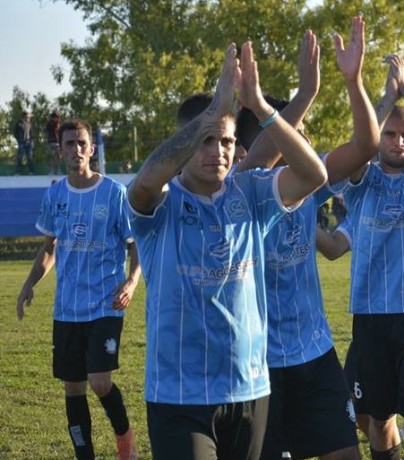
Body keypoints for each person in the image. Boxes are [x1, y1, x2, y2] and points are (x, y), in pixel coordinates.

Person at [126, 42, 327, 459]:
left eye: (227, 142)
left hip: (250, 388)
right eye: (207, 141)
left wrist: (264, 109)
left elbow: (313, 174)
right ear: (184, 144)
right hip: (179, 395)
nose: (218, 151)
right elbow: (144, 184)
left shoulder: (250, 192)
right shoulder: (162, 203)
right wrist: (215, 109)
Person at [234, 19, 378, 460]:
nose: (300, 150)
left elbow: (366, 144)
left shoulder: (310, 182)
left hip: (315, 354)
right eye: (288, 142)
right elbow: (260, 157)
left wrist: (353, 82)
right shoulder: (236, 190)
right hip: (259, 365)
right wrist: (300, 98)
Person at [339, 42, 404, 460]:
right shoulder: (360, 181)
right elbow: (361, 143)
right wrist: (386, 95)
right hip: (369, 312)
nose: (399, 141)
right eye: (390, 134)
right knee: (377, 419)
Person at [16, 118, 141, 460]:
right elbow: (49, 249)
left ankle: (124, 437)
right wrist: (29, 284)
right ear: (61, 150)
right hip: (66, 309)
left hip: (105, 304)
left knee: (100, 382)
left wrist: (131, 282)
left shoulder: (114, 194)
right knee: (73, 388)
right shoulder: (55, 194)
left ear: (92, 148)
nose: (76, 150)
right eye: (69, 144)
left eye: (81, 143)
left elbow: (135, 246)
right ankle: (84, 455)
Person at [15, 110, 35, 175]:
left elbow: (31, 133)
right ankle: (18, 171)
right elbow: (15, 133)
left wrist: (31, 140)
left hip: (28, 142)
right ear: (24, 116)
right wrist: (19, 140)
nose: (28, 117)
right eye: (27, 116)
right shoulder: (19, 123)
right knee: (20, 156)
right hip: (21, 142)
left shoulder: (29, 123)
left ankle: (31, 171)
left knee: (29, 156)